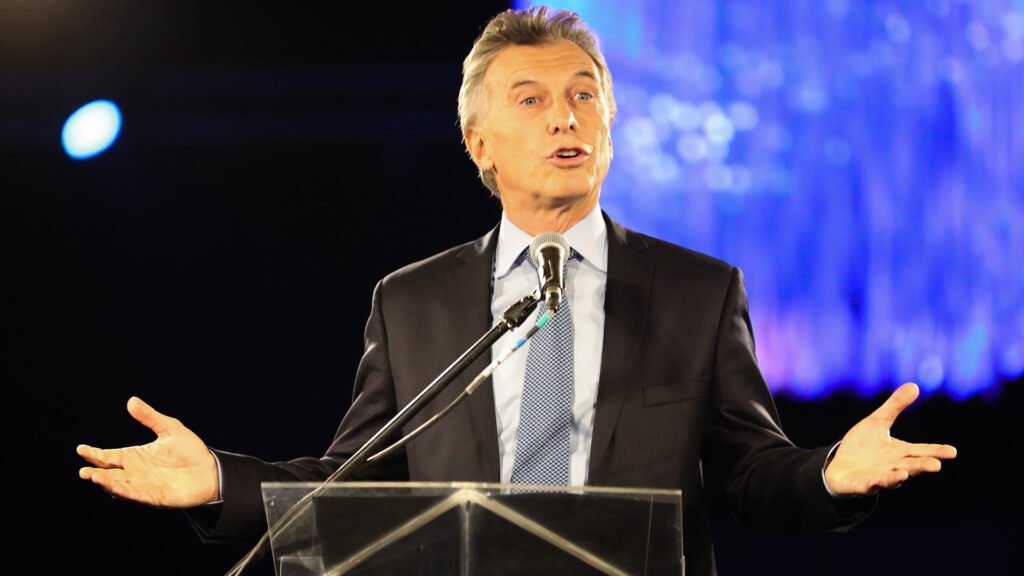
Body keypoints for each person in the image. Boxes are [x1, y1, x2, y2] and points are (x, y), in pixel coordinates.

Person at [77, 6, 957, 575]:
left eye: (585, 95)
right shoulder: (412, 302)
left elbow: (753, 473)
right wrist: (220, 482)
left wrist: (831, 475)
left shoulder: (699, 291)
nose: (566, 116)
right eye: (531, 100)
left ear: (609, 124)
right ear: (479, 144)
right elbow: (351, 481)